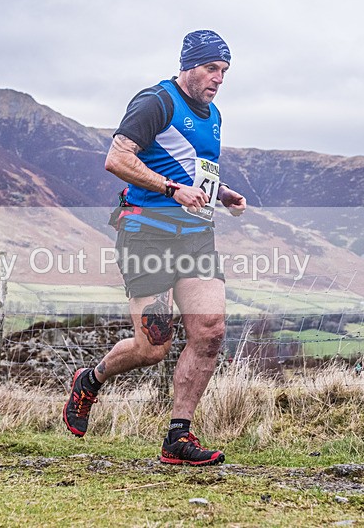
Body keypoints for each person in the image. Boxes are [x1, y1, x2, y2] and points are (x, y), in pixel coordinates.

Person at [63, 30, 246, 466]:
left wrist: (221, 193)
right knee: (153, 346)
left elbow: (190, 169)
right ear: (188, 65)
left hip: (196, 234)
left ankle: (178, 438)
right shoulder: (156, 102)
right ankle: (90, 379)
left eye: (224, 71)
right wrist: (170, 189)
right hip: (145, 231)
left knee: (210, 333)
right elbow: (117, 159)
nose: (218, 78)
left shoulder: (214, 114)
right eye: (210, 68)